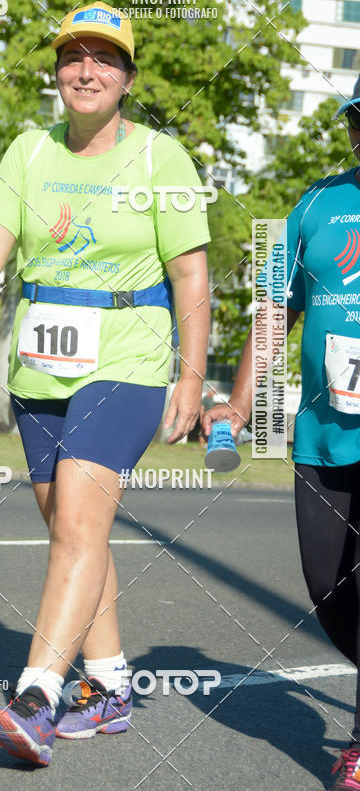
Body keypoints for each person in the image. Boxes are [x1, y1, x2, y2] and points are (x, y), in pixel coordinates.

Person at [0, 1, 211, 766]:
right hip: (41, 362)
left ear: (126, 77)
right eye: (73, 58)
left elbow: (191, 272)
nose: (87, 71)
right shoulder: (28, 150)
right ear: (58, 72)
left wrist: (192, 373)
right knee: (72, 528)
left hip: (128, 355)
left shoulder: (161, 159)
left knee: (80, 525)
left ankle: (37, 695)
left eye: (104, 59)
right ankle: (111, 684)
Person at [202, 74, 360, 791]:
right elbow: (274, 309)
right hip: (323, 436)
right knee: (328, 591)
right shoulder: (317, 205)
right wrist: (238, 402)